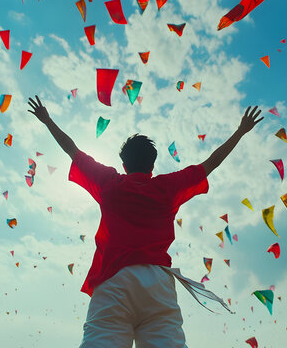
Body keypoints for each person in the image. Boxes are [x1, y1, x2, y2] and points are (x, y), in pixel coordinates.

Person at [27, 95, 264, 348]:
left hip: (113, 282)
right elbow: (209, 164)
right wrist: (240, 132)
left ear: (124, 164)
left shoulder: (109, 183)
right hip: (157, 285)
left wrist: (47, 120)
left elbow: (72, 149)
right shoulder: (166, 187)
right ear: (152, 165)